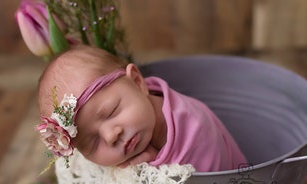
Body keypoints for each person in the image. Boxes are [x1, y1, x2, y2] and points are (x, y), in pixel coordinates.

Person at [37, 45, 247, 172]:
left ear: (137, 82)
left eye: (111, 112)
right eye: (92, 143)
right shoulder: (139, 118)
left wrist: (153, 168)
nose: (111, 136)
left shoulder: (194, 126)